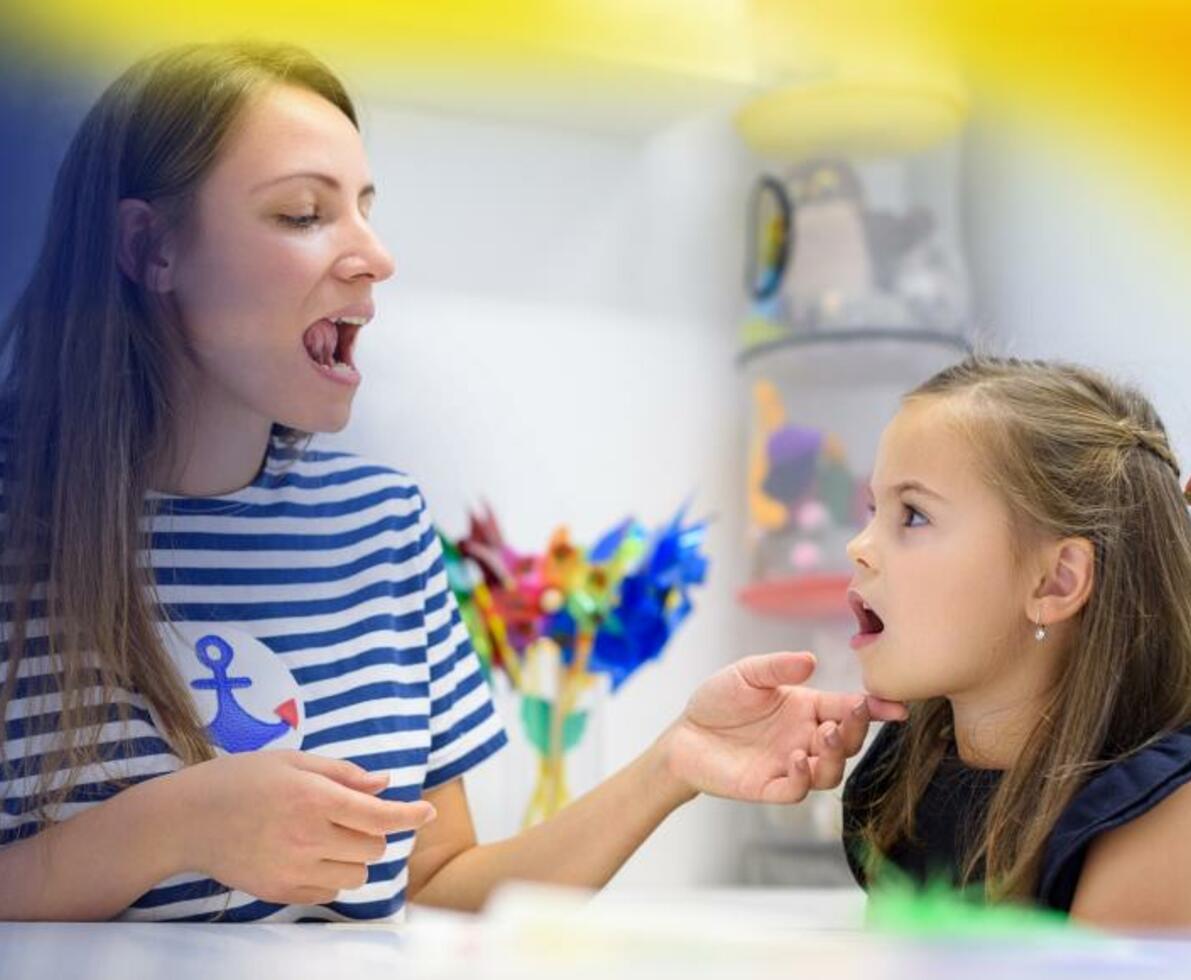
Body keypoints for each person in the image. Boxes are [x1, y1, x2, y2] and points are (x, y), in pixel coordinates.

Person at [0, 41, 904, 923]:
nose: (374, 255)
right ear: (149, 248)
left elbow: (436, 886)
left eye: (364, 206)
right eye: (304, 214)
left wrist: (676, 762)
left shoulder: (382, 525)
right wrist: (169, 827)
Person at [841, 355, 1191, 929]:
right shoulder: (903, 776)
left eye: (915, 516)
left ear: (1056, 581)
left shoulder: (1156, 821)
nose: (859, 545)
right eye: (874, 510)